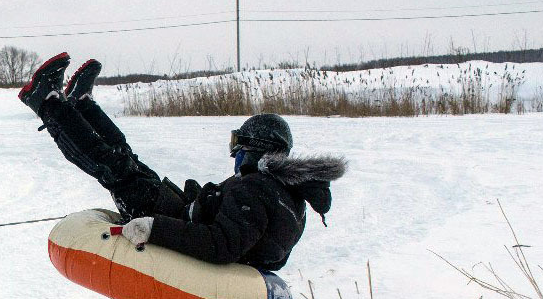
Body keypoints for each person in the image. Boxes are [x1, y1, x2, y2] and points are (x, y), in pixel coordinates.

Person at [18, 52, 346, 272]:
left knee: (113, 164)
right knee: (126, 158)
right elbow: (242, 232)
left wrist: (155, 228)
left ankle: (48, 104)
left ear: (257, 148)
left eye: (239, 145)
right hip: (181, 210)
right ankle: (82, 104)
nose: (235, 154)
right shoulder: (286, 196)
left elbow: (221, 244)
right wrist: (209, 199)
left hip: (167, 218)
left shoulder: (260, 190)